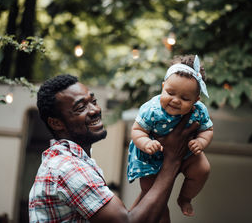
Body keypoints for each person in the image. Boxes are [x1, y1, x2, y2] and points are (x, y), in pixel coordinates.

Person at [28, 74, 199, 222]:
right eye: (81, 107)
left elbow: (130, 217)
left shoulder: (73, 162)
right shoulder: (67, 168)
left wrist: (162, 167)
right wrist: (172, 161)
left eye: (93, 101)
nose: (95, 110)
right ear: (56, 123)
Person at [127, 55, 213, 221]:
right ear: (163, 86)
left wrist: (200, 141)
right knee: (152, 194)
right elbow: (137, 130)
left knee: (203, 169)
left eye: (185, 98)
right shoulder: (152, 109)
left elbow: (207, 129)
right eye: (170, 93)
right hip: (151, 156)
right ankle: (161, 215)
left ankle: (185, 198)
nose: (175, 100)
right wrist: (146, 143)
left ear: (196, 100)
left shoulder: (199, 111)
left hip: (186, 151)